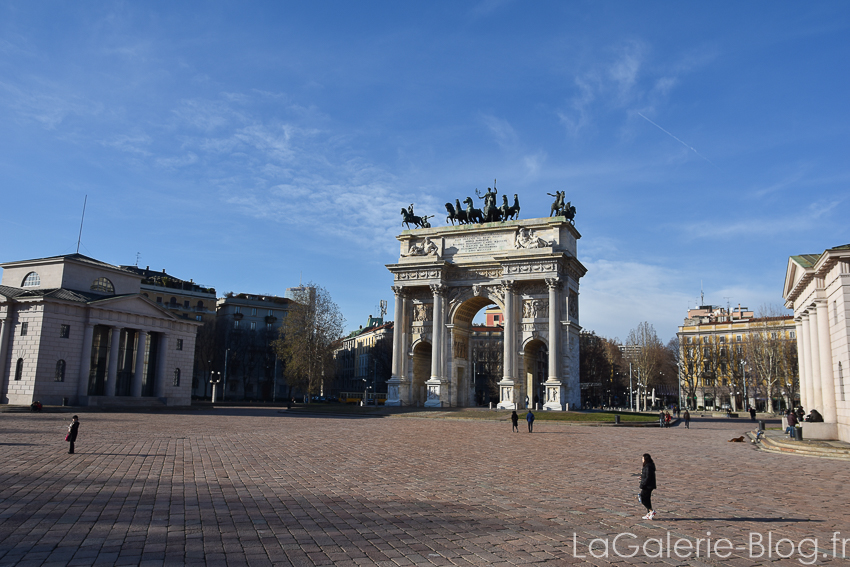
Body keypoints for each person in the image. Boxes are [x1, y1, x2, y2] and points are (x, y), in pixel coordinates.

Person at [639, 453, 657, 520]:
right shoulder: (648, 466)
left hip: (648, 486)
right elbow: (646, 475)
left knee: (643, 498)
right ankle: (649, 513)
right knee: (647, 499)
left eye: (643, 458)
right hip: (649, 485)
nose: (642, 460)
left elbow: (648, 477)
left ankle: (651, 511)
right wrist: (642, 477)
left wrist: (643, 484)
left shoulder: (648, 467)